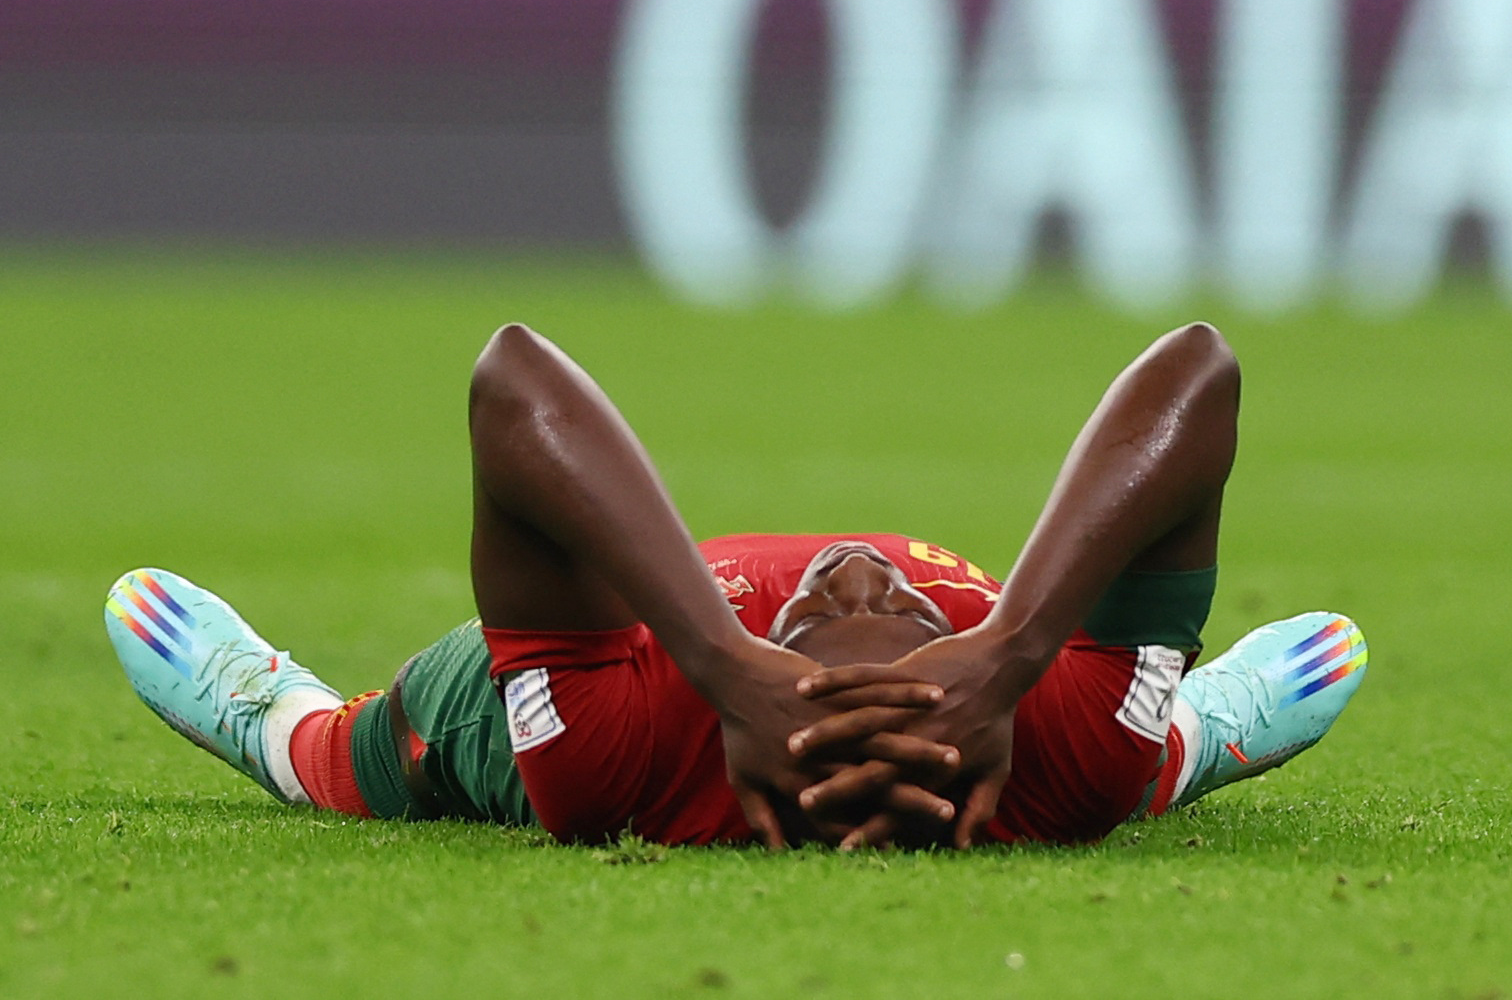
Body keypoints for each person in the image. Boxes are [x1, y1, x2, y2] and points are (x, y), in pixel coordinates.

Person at [105, 323, 1368, 848]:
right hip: (1051, 726)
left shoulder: (629, 744)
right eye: (914, 610)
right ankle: (1202, 726)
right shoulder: (1039, 728)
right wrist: (1009, 649)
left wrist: (716, 656)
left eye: (828, 613)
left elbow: (512, 380)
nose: (860, 565)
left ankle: (272, 717)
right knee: (1126, 750)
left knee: (403, 739)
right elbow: (1200, 369)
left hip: (636, 664)